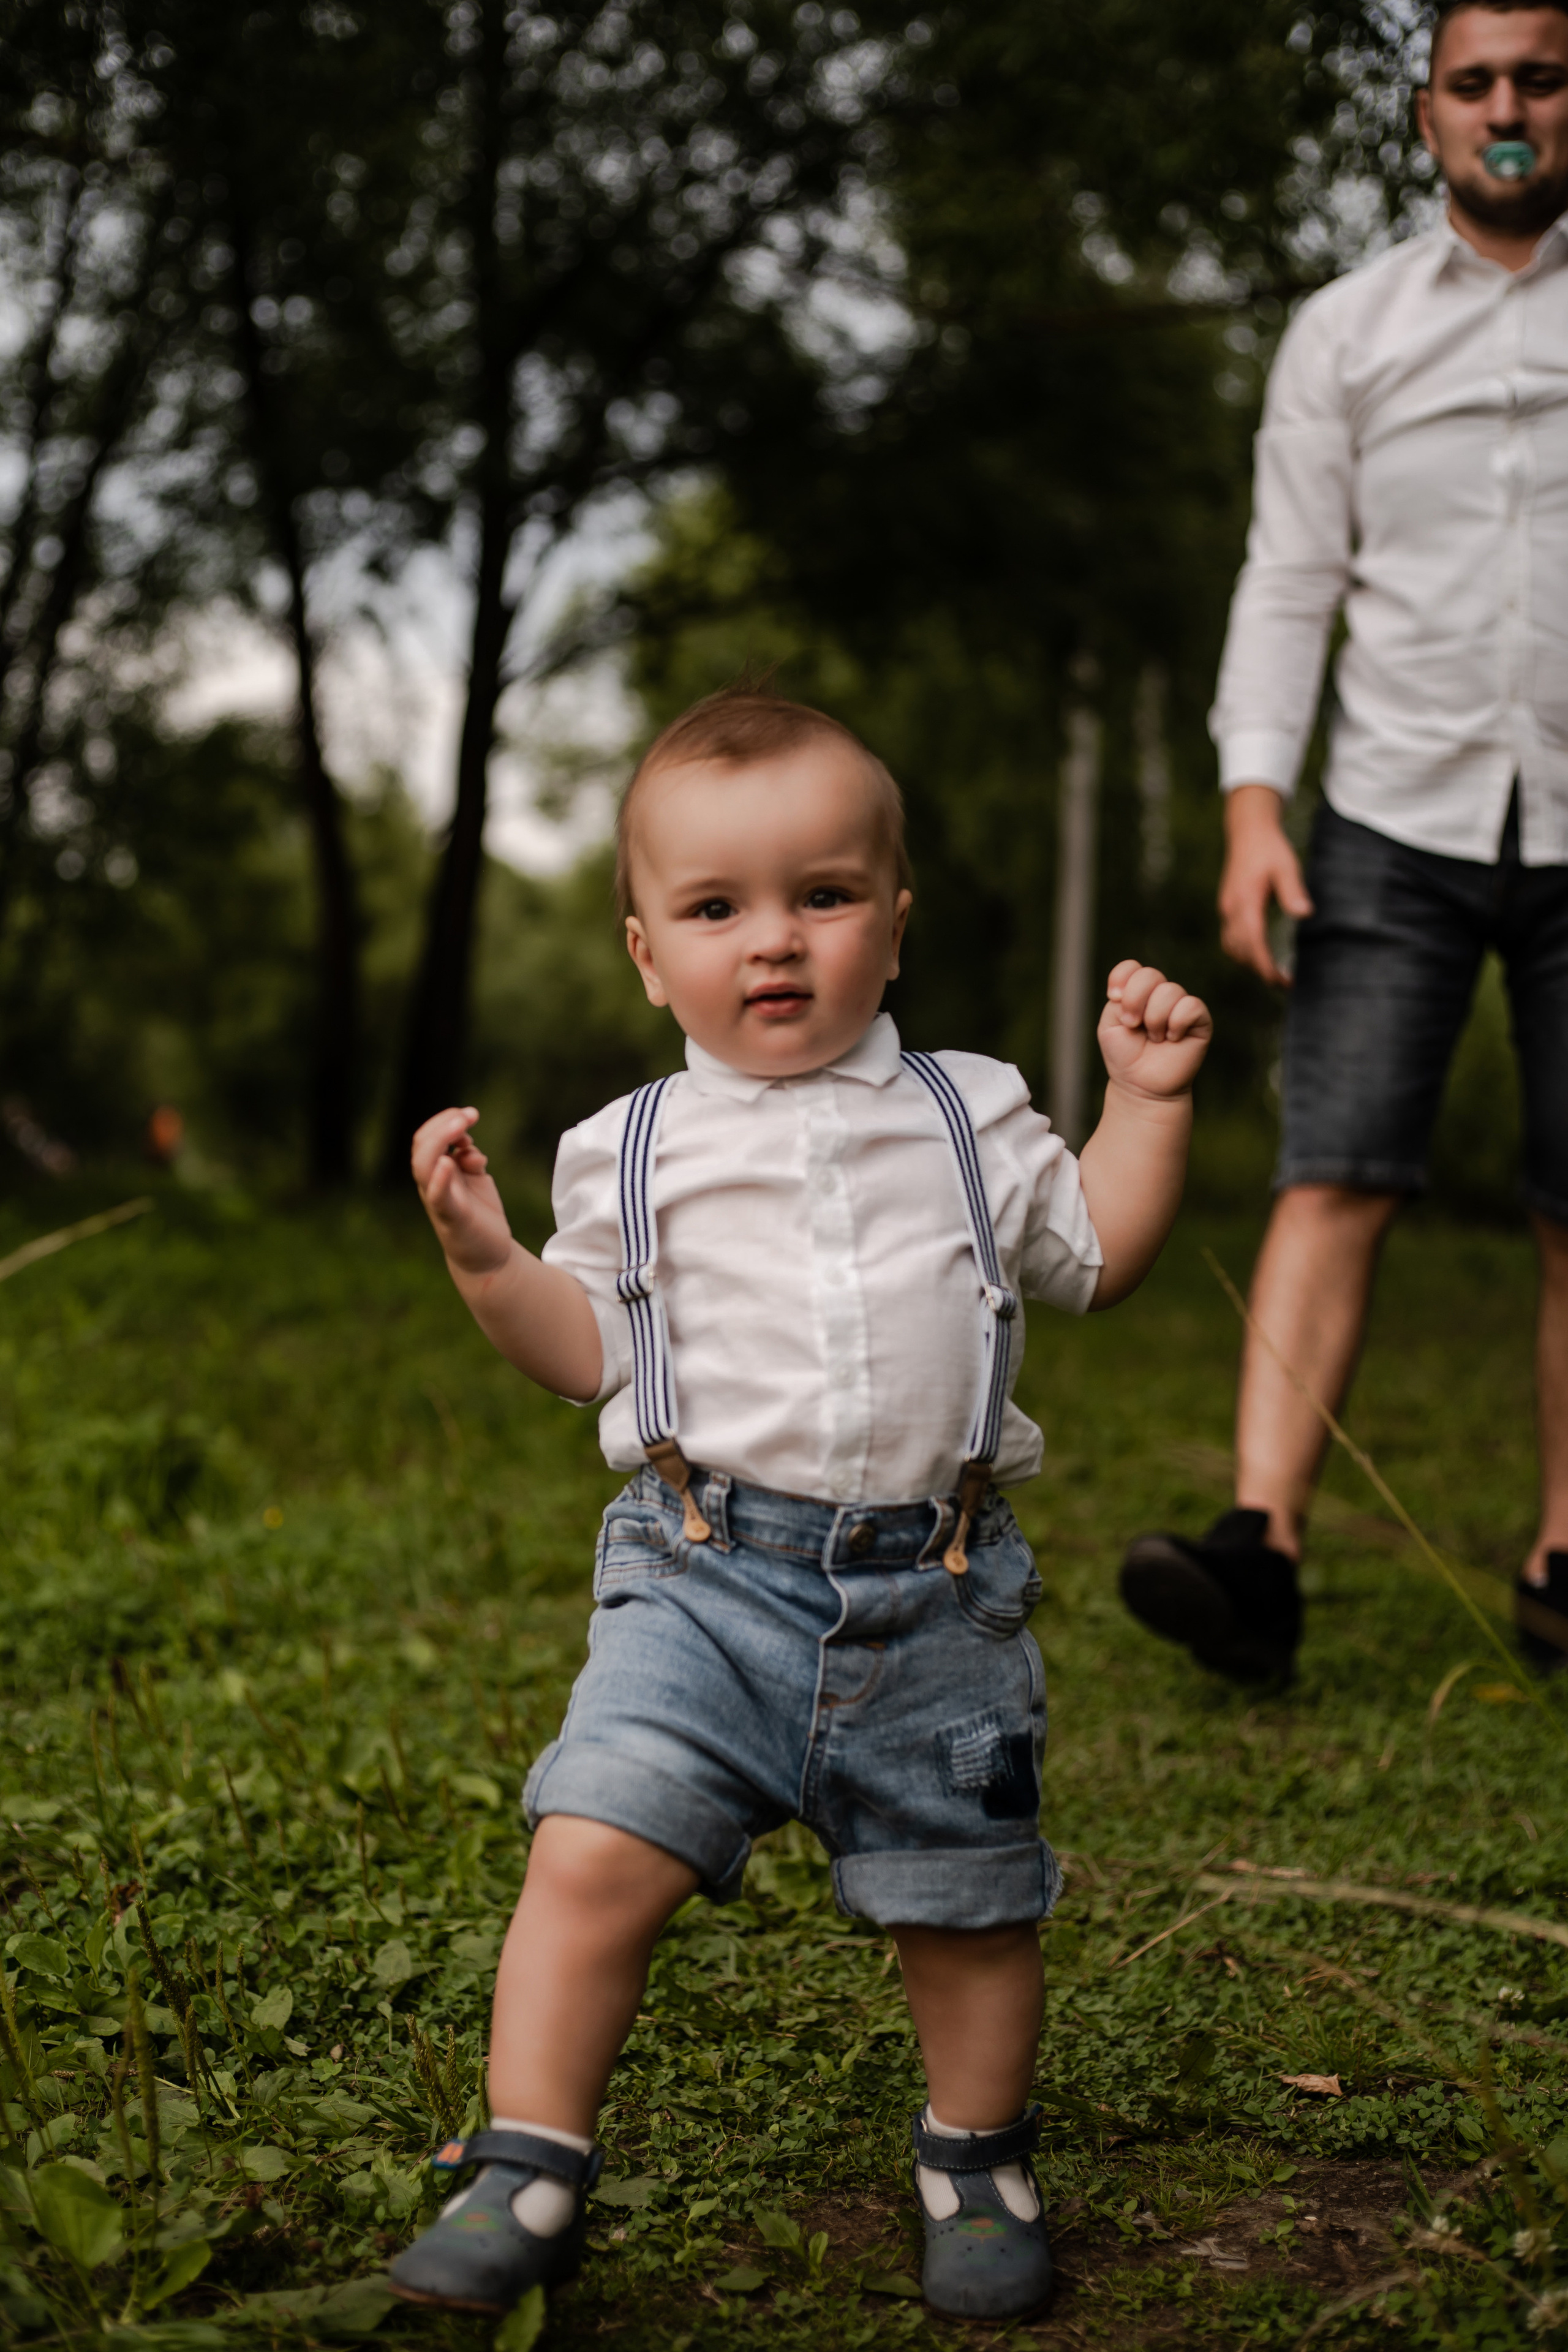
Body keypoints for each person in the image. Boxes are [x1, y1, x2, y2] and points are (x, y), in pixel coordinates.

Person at [389, 686, 1212, 2325]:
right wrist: (489, 1261)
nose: (774, 942)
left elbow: (1098, 1255)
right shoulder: (624, 1151)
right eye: (716, 909)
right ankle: (527, 2156)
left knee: (966, 1909)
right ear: (646, 951)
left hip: (939, 1594)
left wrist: (1151, 1102)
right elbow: (583, 1350)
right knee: (593, 1845)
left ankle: (975, 2156)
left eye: (822, 897)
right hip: (701, 1578)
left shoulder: (971, 1113)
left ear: (892, 927)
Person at [1120, 0, 1568, 1686]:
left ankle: (1563, 1560)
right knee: (1336, 1171)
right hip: (1391, 813)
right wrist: (1252, 802)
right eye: (1475, 83)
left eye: (1539, 77)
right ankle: (1262, 1553)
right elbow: (1289, 579)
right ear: (1430, 110)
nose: (1507, 107)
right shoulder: (1348, 332)